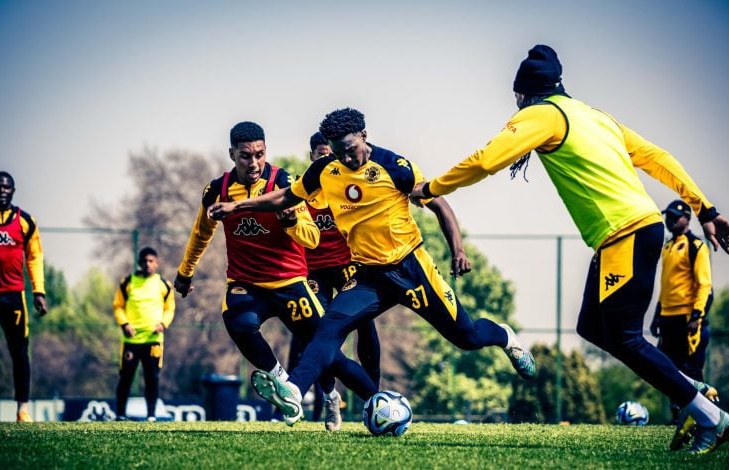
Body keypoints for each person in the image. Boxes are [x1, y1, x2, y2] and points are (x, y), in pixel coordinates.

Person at [410, 44, 729, 455]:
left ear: (525, 92)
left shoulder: (542, 115)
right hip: (631, 232)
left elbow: (486, 159)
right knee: (591, 326)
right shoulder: (593, 115)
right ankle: (693, 389)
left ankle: (711, 417)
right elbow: (659, 158)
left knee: (625, 337)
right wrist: (705, 207)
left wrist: (432, 188)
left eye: (516, 97)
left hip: (626, 232)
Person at [207, 108, 534, 428]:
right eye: (338, 153)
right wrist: (237, 206)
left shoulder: (395, 166)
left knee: (468, 336)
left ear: (364, 136)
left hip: (411, 269)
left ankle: (504, 336)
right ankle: (293, 391)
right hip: (368, 276)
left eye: (350, 150)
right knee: (326, 330)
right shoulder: (324, 171)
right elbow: (284, 198)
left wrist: (458, 250)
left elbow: (439, 202)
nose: (346, 159)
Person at [174, 121, 376, 430]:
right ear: (232, 154)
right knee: (239, 322)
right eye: (245, 156)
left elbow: (312, 238)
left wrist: (291, 221)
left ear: (266, 151)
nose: (253, 163)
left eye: (259, 154)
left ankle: (371, 400)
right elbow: (201, 233)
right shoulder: (218, 190)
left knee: (329, 352)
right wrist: (185, 273)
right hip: (247, 285)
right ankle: (283, 384)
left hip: (291, 283)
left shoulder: (285, 183)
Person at [287, 131, 382, 423]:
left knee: (366, 327)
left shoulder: (346, 182)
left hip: (348, 266)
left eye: (332, 154)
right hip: (314, 271)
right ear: (312, 157)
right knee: (316, 333)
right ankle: (330, 396)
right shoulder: (301, 189)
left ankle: (374, 400)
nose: (328, 159)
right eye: (322, 154)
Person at [0, 171, 48, 423]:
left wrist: (39, 292)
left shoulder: (25, 221)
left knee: (20, 352)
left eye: (6, 187)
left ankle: (22, 409)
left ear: (13, 191)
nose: (2, 191)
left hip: (13, 297)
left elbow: (35, 257)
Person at [650, 200, 717, 423]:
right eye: (667, 216)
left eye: (674, 216)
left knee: (691, 371)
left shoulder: (696, 246)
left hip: (687, 319)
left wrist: (698, 315)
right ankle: (678, 417)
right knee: (668, 370)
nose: (669, 221)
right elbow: (666, 285)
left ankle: (703, 418)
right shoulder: (667, 247)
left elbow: (704, 285)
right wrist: (657, 314)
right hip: (668, 318)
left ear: (687, 218)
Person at [113, 247, 175, 422]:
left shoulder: (164, 285)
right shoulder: (127, 283)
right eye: (144, 261)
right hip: (131, 341)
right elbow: (118, 306)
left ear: (156, 263)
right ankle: (120, 414)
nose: (147, 264)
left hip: (153, 341)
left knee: (152, 378)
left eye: (151, 261)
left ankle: (151, 415)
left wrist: (163, 323)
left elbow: (170, 308)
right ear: (139, 263)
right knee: (125, 378)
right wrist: (124, 324)